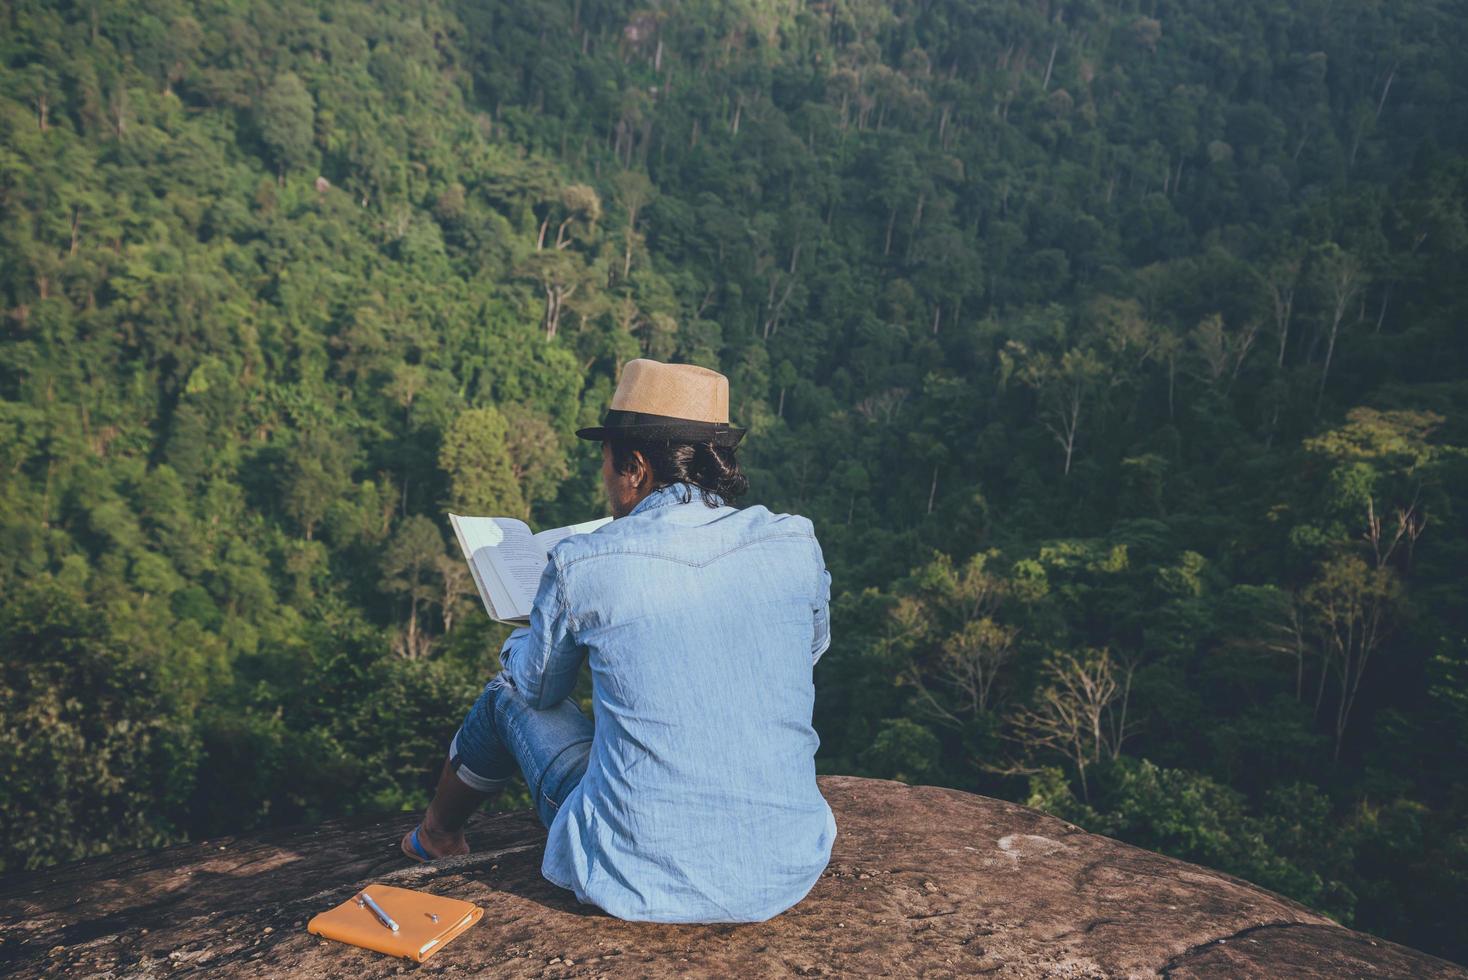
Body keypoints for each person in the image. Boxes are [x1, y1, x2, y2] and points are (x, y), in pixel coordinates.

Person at [401, 358, 836, 924]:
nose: (603, 478)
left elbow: (538, 689)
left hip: (634, 870)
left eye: (605, 461)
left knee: (506, 695)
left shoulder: (586, 561)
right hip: (785, 862)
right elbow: (808, 651)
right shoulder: (793, 541)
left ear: (635, 467)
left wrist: (527, 636)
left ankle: (437, 836)